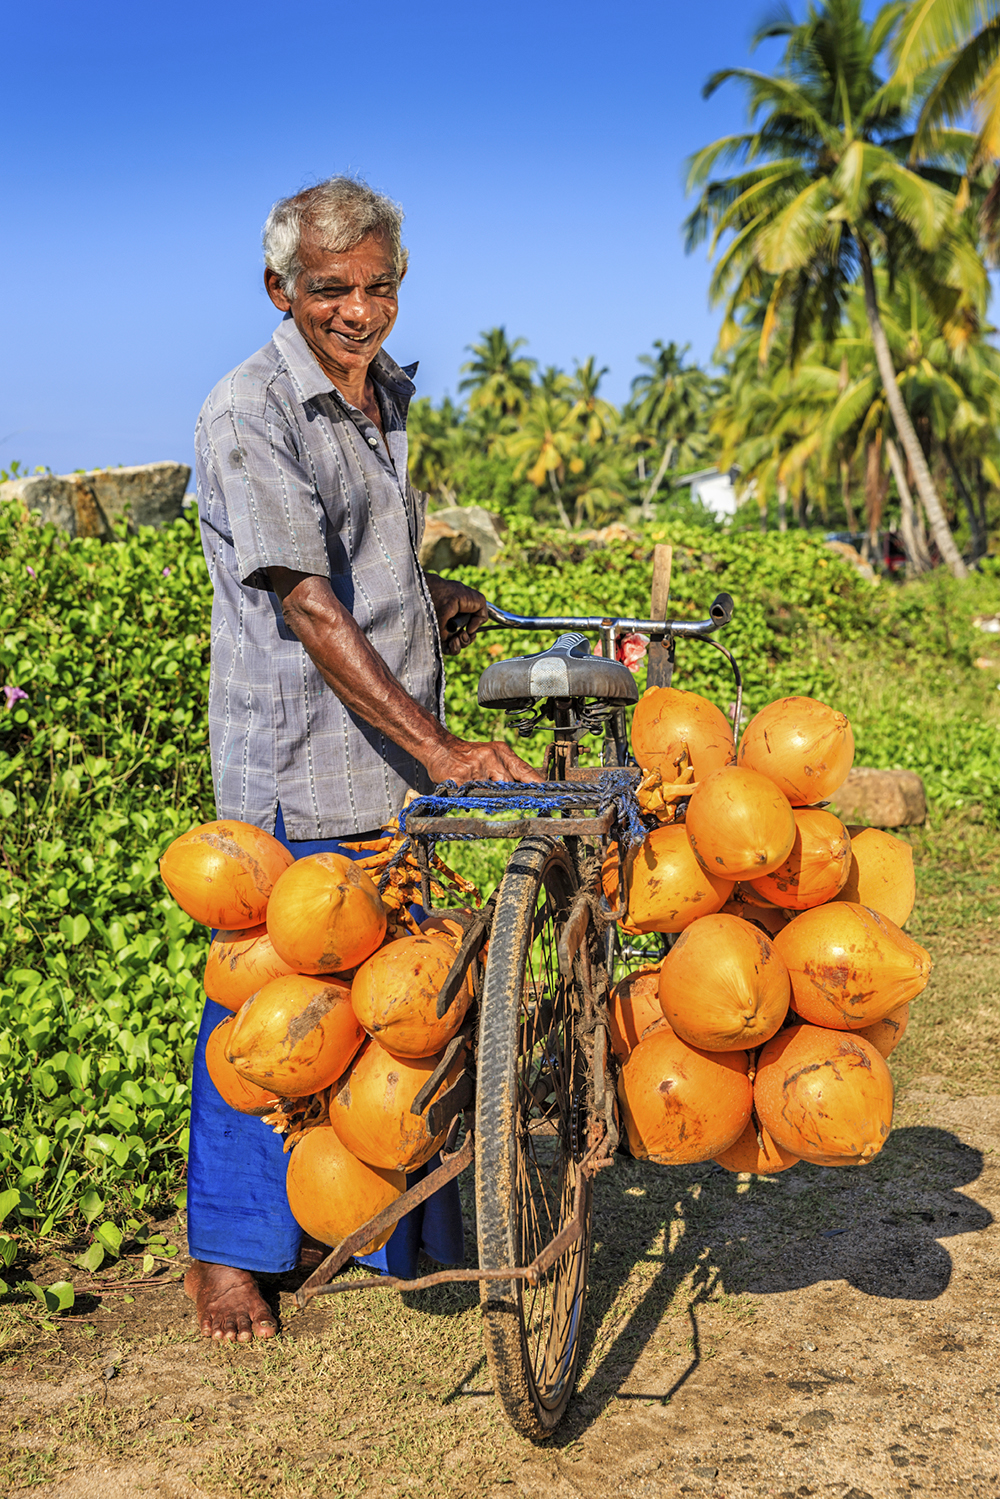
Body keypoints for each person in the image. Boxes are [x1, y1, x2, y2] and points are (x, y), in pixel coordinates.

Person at [184, 175, 541, 1343]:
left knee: (402, 998)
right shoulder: (250, 411)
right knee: (266, 1006)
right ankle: (229, 1253)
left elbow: (357, 573)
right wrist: (441, 747)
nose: (356, 308)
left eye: (375, 285)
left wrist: (427, 599)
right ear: (280, 288)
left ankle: (398, 1223)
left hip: (385, 764)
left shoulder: (383, 392)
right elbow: (305, 602)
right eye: (330, 288)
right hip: (298, 755)